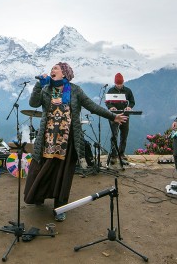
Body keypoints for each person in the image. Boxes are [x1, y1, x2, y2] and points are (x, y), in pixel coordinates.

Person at [23, 62, 128, 222]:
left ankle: (60, 207)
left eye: (55, 69)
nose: (52, 70)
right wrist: (39, 84)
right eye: (51, 69)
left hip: (68, 139)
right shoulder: (46, 89)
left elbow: (92, 106)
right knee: (42, 168)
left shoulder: (75, 90)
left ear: (64, 73)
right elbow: (33, 103)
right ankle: (39, 196)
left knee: (63, 174)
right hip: (47, 139)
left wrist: (113, 116)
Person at [105, 73, 135, 167]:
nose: (119, 85)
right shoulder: (110, 90)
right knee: (114, 135)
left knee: (124, 134)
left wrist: (129, 107)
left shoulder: (128, 90)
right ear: (114, 83)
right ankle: (113, 155)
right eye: (117, 84)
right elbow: (107, 102)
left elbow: (132, 102)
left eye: (120, 84)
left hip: (125, 115)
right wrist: (111, 107)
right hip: (114, 115)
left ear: (123, 82)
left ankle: (121, 154)